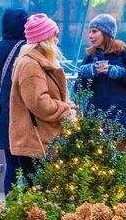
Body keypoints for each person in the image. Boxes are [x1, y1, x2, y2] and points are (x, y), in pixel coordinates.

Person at [8, 14, 76, 184]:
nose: (57, 42)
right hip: (35, 143)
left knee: (43, 198)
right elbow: (40, 103)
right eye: (55, 36)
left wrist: (70, 107)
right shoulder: (30, 64)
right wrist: (66, 110)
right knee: (41, 199)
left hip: (43, 141)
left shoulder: (37, 62)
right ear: (45, 39)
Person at [76, 14, 126, 137]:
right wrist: (88, 73)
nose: (90, 35)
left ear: (106, 33)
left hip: (124, 122)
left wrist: (121, 72)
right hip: (95, 124)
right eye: (89, 31)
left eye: (94, 31)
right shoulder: (89, 57)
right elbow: (78, 90)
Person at [0, 8, 29, 195]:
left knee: (11, 165)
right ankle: (29, 211)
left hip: (3, 116)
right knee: (27, 168)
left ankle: (10, 209)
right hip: (21, 114)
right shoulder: (26, 49)